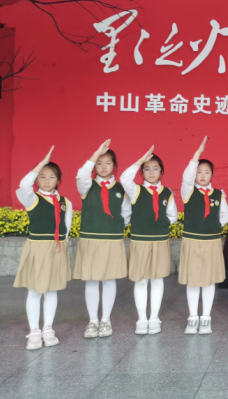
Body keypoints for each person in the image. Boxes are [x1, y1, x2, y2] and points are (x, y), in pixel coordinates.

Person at [13, 147, 72, 350]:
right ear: (37, 179)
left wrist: (63, 248)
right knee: (35, 291)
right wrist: (41, 164)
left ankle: (48, 329)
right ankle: (34, 332)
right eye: (42, 176)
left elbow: (66, 228)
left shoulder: (65, 203)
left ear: (58, 180)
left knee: (51, 290)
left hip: (56, 249)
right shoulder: (31, 198)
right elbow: (23, 184)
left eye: (52, 177)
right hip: (37, 248)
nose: (47, 181)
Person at [74, 139, 130, 339]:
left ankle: (105, 320)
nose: (103, 167)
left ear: (114, 166)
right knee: (91, 280)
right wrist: (95, 154)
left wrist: (114, 228)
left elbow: (126, 214)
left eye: (108, 163)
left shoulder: (121, 189)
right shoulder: (87, 186)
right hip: (90, 239)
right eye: (99, 163)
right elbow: (81, 175)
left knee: (108, 279)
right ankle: (92, 321)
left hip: (112, 239)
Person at [121, 146, 178, 335]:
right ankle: (141, 319)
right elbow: (124, 179)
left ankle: (154, 317)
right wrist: (139, 160)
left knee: (157, 279)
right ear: (142, 172)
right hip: (140, 242)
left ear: (161, 171)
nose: (151, 172)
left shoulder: (167, 193)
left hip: (160, 241)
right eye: (147, 169)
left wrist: (160, 224)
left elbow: (173, 216)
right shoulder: (136, 191)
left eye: (155, 168)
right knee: (141, 280)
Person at [180, 136, 228, 335]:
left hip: (211, 241)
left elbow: (224, 216)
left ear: (212, 175)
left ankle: (206, 317)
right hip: (192, 240)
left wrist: (212, 227)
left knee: (209, 280)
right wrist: (196, 156)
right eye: (199, 172)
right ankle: (193, 317)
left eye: (206, 172)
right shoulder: (188, 191)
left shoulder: (219, 194)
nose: (202, 175)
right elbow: (186, 178)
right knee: (193, 280)